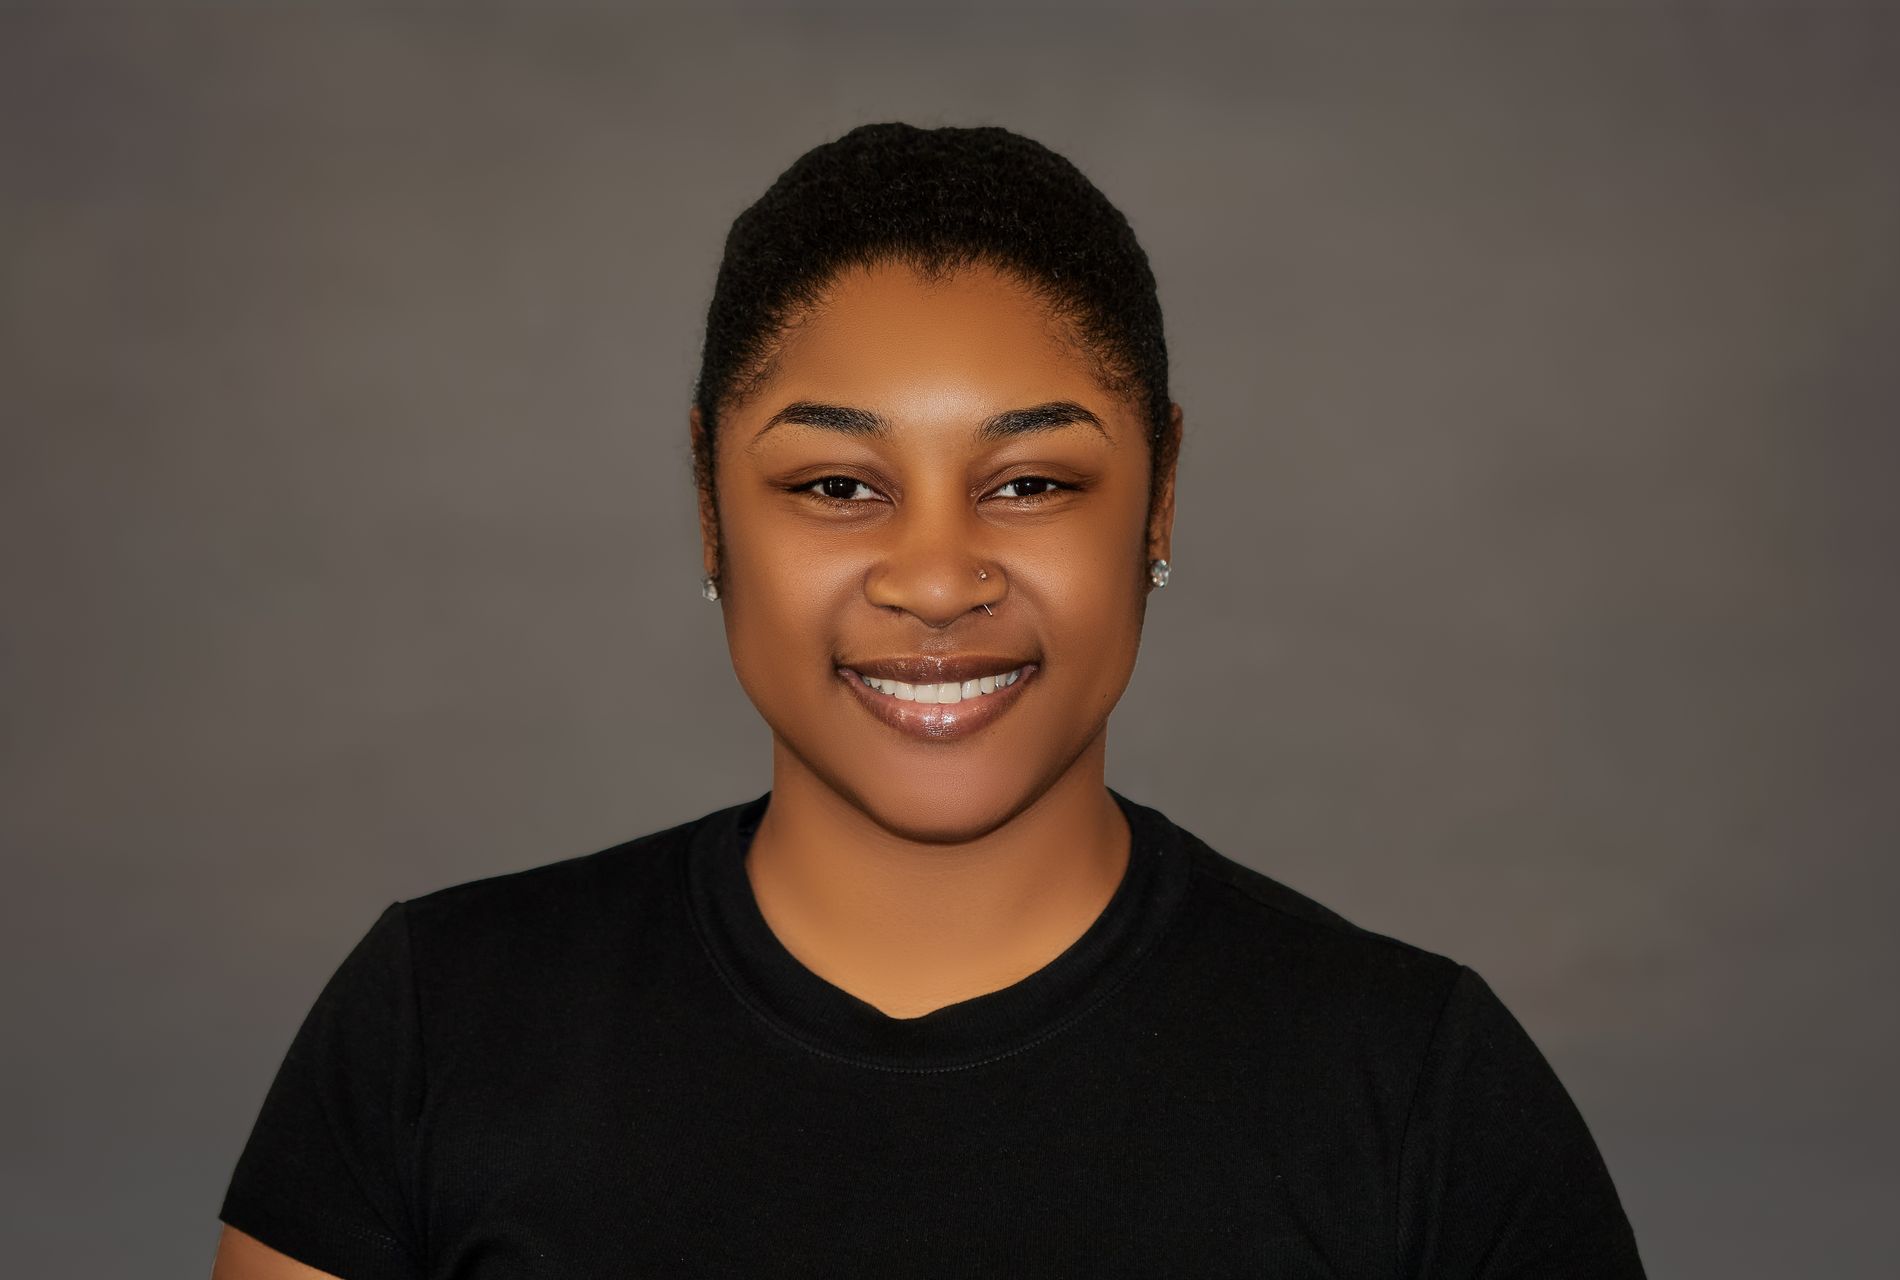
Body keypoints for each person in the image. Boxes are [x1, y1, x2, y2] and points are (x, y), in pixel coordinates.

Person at [211, 123, 1645, 1279]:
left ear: (1160, 499)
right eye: (838, 485)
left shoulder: (1417, 1092)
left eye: (1033, 483)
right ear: (709, 509)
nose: (941, 578)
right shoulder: (437, 1027)